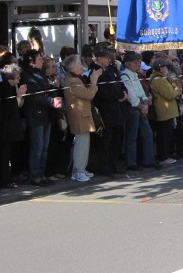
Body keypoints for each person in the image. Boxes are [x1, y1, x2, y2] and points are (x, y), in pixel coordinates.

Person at [20, 50, 63, 187]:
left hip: (46, 115)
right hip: (35, 115)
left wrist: (54, 94)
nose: (41, 61)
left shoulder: (41, 75)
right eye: (39, 59)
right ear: (31, 61)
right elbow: (34, 96)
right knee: (37, 147)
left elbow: (47, 90)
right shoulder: (27, 75)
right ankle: (35, 175)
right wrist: (51, 101)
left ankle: (42, 173)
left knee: (44, 147)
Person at [63, 54, 102, 182]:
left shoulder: (76, 78)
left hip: (83, 115)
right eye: (79, 64)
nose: (81, 66)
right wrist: (94, 82)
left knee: (85, 143)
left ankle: (82, 168)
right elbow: (89, 95)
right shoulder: (72, 81)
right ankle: (77, 171)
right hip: (79, 116)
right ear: (73, 67)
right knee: (81, 144)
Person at [91, 46, 128, 177]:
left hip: (117, 110)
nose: (109, 59)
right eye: (106, 57)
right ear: (99, 58)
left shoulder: (112, 69)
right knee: (106, 140)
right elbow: (102, 92)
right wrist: (117, 96)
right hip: (106, 110)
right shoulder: (96, 71)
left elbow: (120, 83)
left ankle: (113, 164)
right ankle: (104, 166)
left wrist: (124, 93)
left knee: (116, 140)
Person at [120, 52, 159, 171]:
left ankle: (148, 159)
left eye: (138, 62)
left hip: (141, 106)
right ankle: (131, 162)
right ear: (127, 63)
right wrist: (140, 106)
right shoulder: (124, 76)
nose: (137, 64)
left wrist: (145, 102)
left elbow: (140, 91)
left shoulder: (135, 75)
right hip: (133, 108)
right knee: (132, 136)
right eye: (135, 62)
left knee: (147, 133)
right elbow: (131, 95)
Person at [150, 58, 181, 165]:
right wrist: (177, 90)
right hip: (164, 111)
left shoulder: (161, 78)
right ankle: (163, 157)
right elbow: (169, 94)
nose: (166, 68)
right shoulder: (159, 80)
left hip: (167, 111)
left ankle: (168, 154)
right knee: (164, 136)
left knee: (168, 135)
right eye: (163, 66)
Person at [0, 64, 26, 188]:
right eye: (17, 77)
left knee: (9, 153)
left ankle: (7, 178)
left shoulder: (11, 87)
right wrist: (19, 96)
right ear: (10, 78)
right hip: (5, 128)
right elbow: (8, 108)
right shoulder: (4, 89)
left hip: (10, 127)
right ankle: (5, 180)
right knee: (4, 155)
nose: (19, 79)